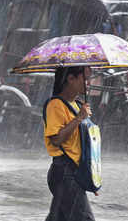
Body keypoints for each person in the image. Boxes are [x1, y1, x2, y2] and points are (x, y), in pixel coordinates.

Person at [44, 66, 97, 221]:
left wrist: (91, 178)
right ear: (71, 79)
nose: (88, 83)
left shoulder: (78, 104)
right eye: (85, 79)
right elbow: (56, 140)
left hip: (75, 173)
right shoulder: (55, 105)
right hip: (64, 173)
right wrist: (79, 118)